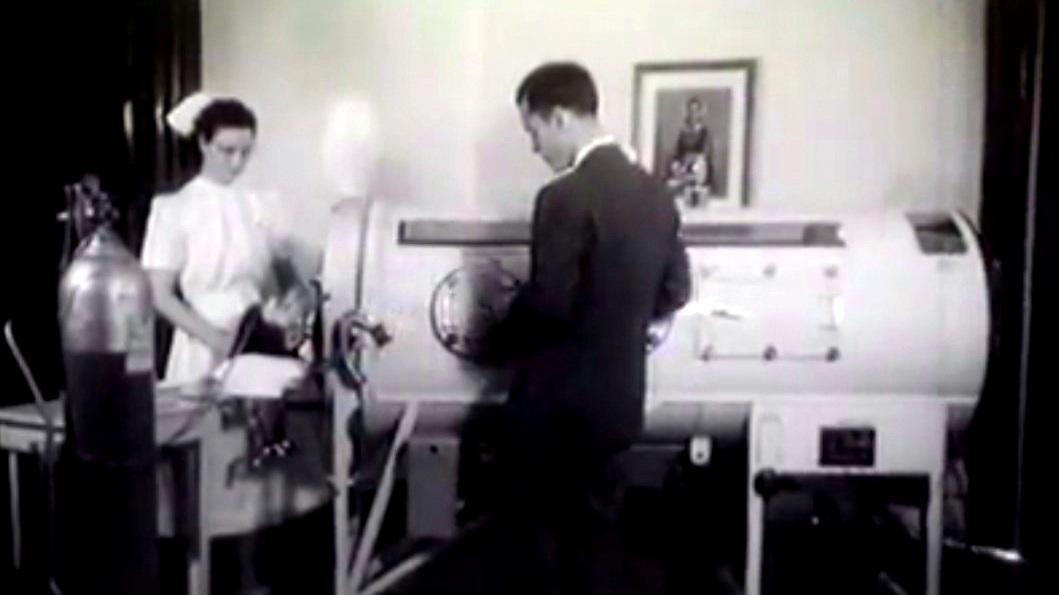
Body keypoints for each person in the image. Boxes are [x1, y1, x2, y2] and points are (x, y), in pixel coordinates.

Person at [497, 62, 691, 594]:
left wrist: (498, 332)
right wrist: (620, 317)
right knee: (599, 541)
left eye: (533, 132)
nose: (535, 148)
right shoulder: (656, 194)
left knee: (539, 553)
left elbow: (550, 304)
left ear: (559, 118)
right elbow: (678, 290)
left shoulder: (562, 198)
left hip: (554, 410)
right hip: (619, 401)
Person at [140, 93, 328, 592]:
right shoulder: (174, 209)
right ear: (203, 143)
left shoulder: (260, 206)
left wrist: (292, 308)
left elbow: (289, 282)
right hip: (203, 349)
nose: (237, 162)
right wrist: (216, 340)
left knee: (259, 480)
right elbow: (159, 294)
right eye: (227, 150)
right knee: (201, 486)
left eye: (246, 151)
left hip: (257, 351)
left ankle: (255, 581)